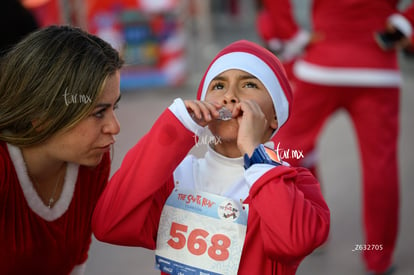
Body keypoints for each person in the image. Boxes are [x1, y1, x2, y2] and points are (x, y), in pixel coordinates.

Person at [92, 40, 330, 275]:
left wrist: (254, 151)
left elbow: (295, 242)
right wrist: (174, 128)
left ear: (274, 116)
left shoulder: (295, 183)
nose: (230, 95)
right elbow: (109, 225)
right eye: (218, 86)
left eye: (249, 84)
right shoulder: (174, 179)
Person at [256, 0, 414, 274]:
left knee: (286, 151)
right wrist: (405, 23)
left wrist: (293, 35)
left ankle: (304, 232)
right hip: (377, 68)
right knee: (381, 167)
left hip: (323, 64)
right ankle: (379, 258)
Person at [0, 25, 123, 274]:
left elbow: (77, 259)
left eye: (114, 108)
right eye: (99, 113)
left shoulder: (93, 160)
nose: (114, 127)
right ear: (40, 114)